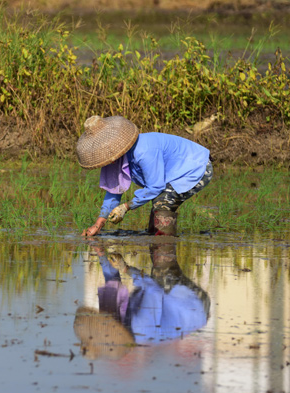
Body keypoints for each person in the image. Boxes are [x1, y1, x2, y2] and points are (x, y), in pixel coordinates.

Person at [76, 115, 213, 237]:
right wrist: (98, 224)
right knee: (154, 223)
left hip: (195, 167)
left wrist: (125, 207)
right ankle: (157, 241)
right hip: (172, 173)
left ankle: (165, 246)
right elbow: (114, 190)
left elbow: (155, 187)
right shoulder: (115, 158)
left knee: (162, 204)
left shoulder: (144, 151)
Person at [74, 242, 210, 359]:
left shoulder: (111, 321)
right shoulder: (141, 328)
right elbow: (154, 290)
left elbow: (112, 283)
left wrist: (101, 253)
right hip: (195, 306)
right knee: (160, 272)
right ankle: (165, 232)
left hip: (174, 301)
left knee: (154, 278)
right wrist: (126, 269)